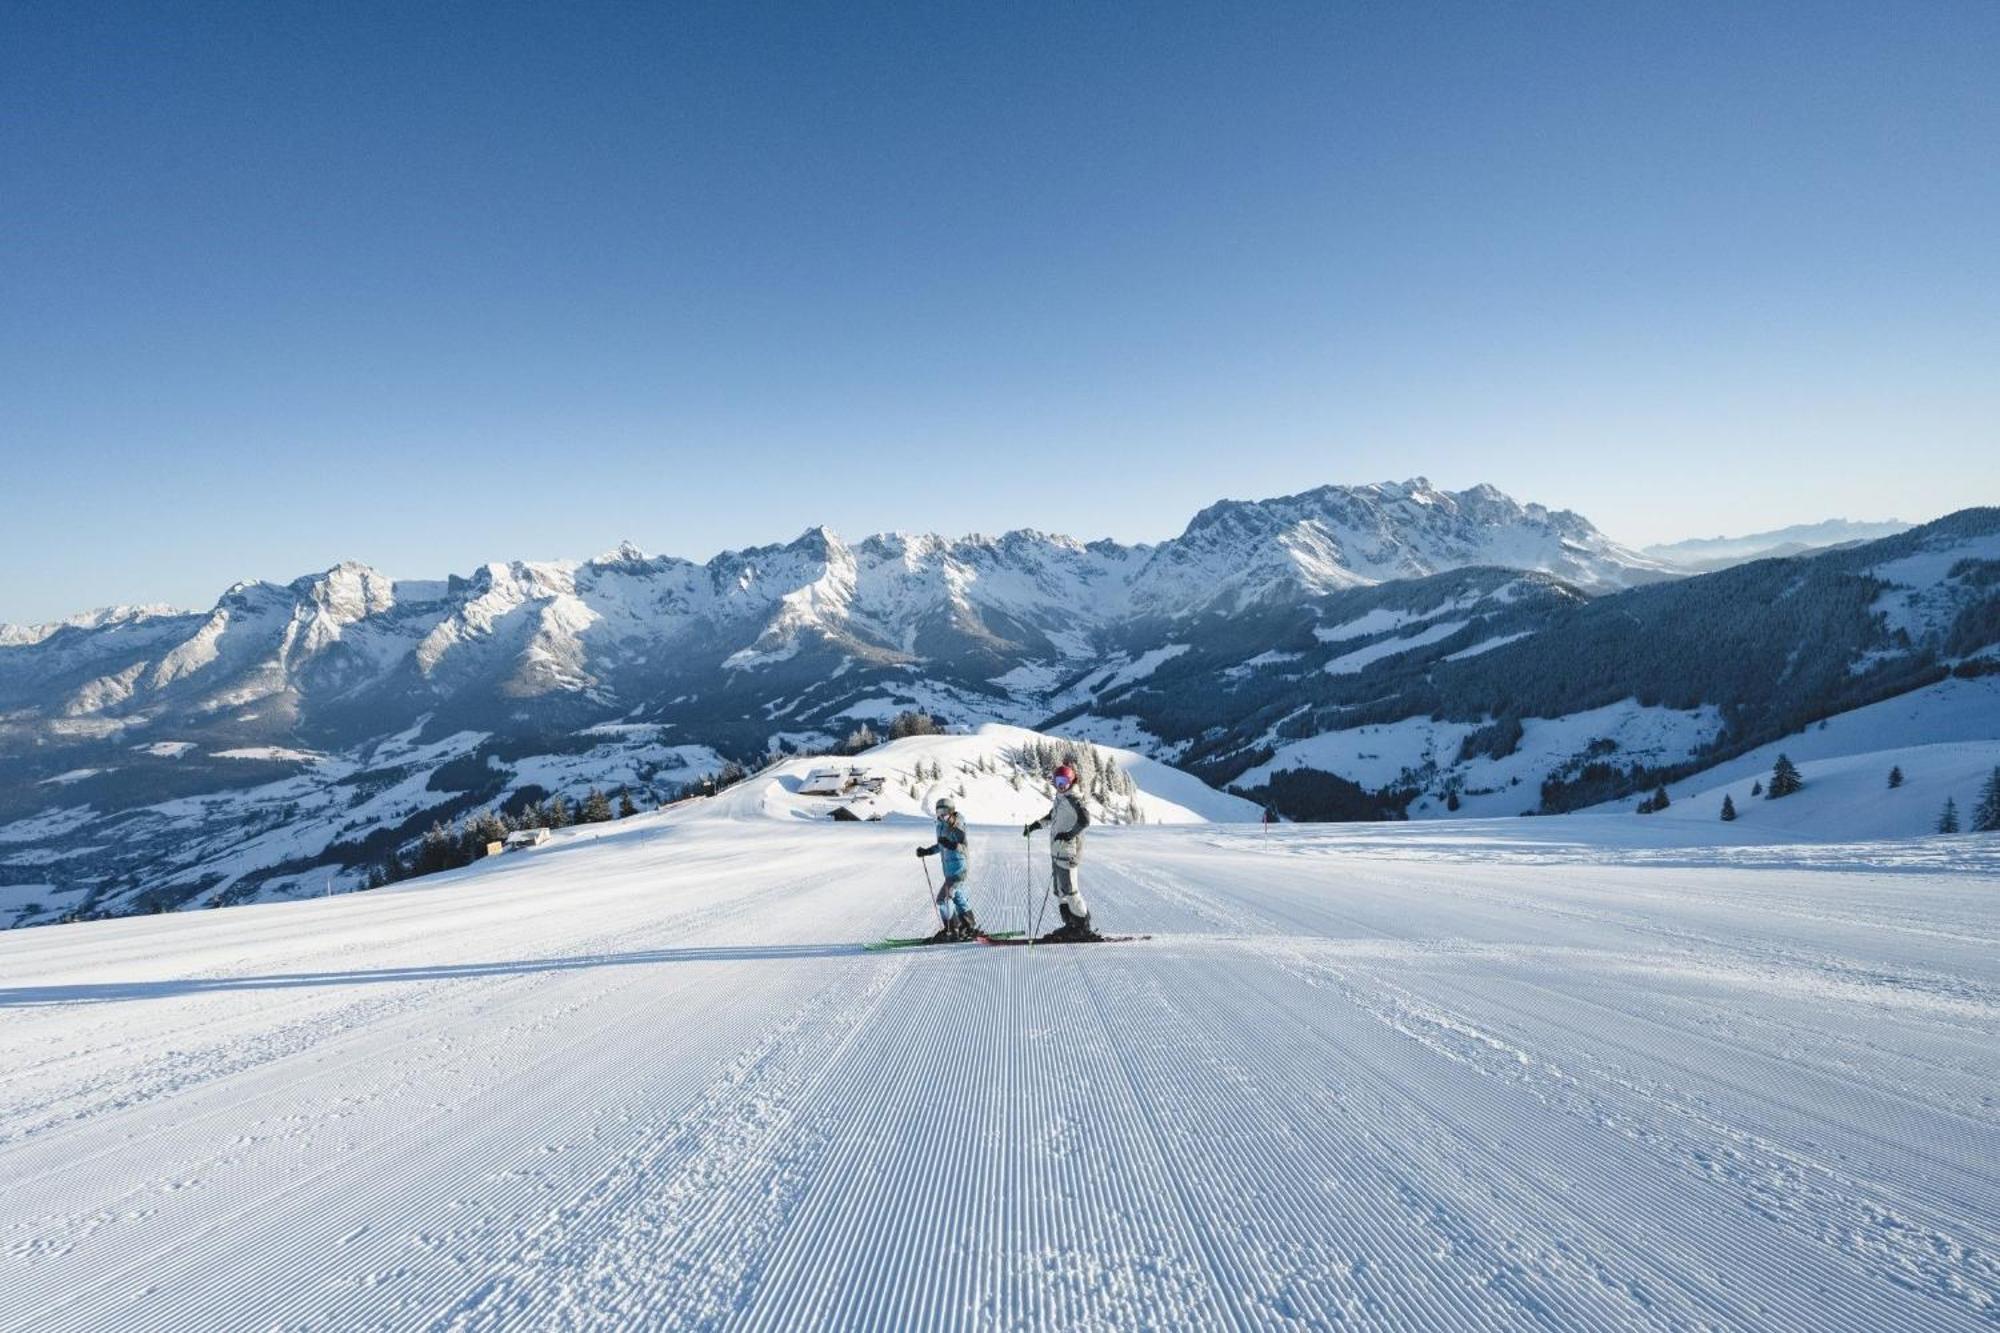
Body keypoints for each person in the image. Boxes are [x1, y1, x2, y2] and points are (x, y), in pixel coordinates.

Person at [1022, 763, 1097, 940]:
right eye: (1057, 781)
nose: (1060, 785)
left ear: (1071, 781)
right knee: (1060, 891)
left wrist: (1069, 835)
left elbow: (1085, 820)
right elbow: (1052, 816)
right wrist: (1034, 826)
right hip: (1057, 852)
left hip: (1069, 852)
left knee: (1071, 891)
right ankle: (1070, 924)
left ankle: (1082, 926)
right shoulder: (1061, 798)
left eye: (1064, 781)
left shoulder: (1074, 798)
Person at [915, 796, 980, 940]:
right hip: (949, 870)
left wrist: (952, 845)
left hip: (959, 870)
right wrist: (927, 851)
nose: (942, 816)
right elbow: (941, 846)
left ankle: (952, 930)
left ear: (951, 812)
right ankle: (968, 927)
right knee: (958, 897)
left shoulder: (957, 825)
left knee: (943, 899)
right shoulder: (940, 826)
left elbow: (963, 847)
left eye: (945, 813)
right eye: (939, 813)